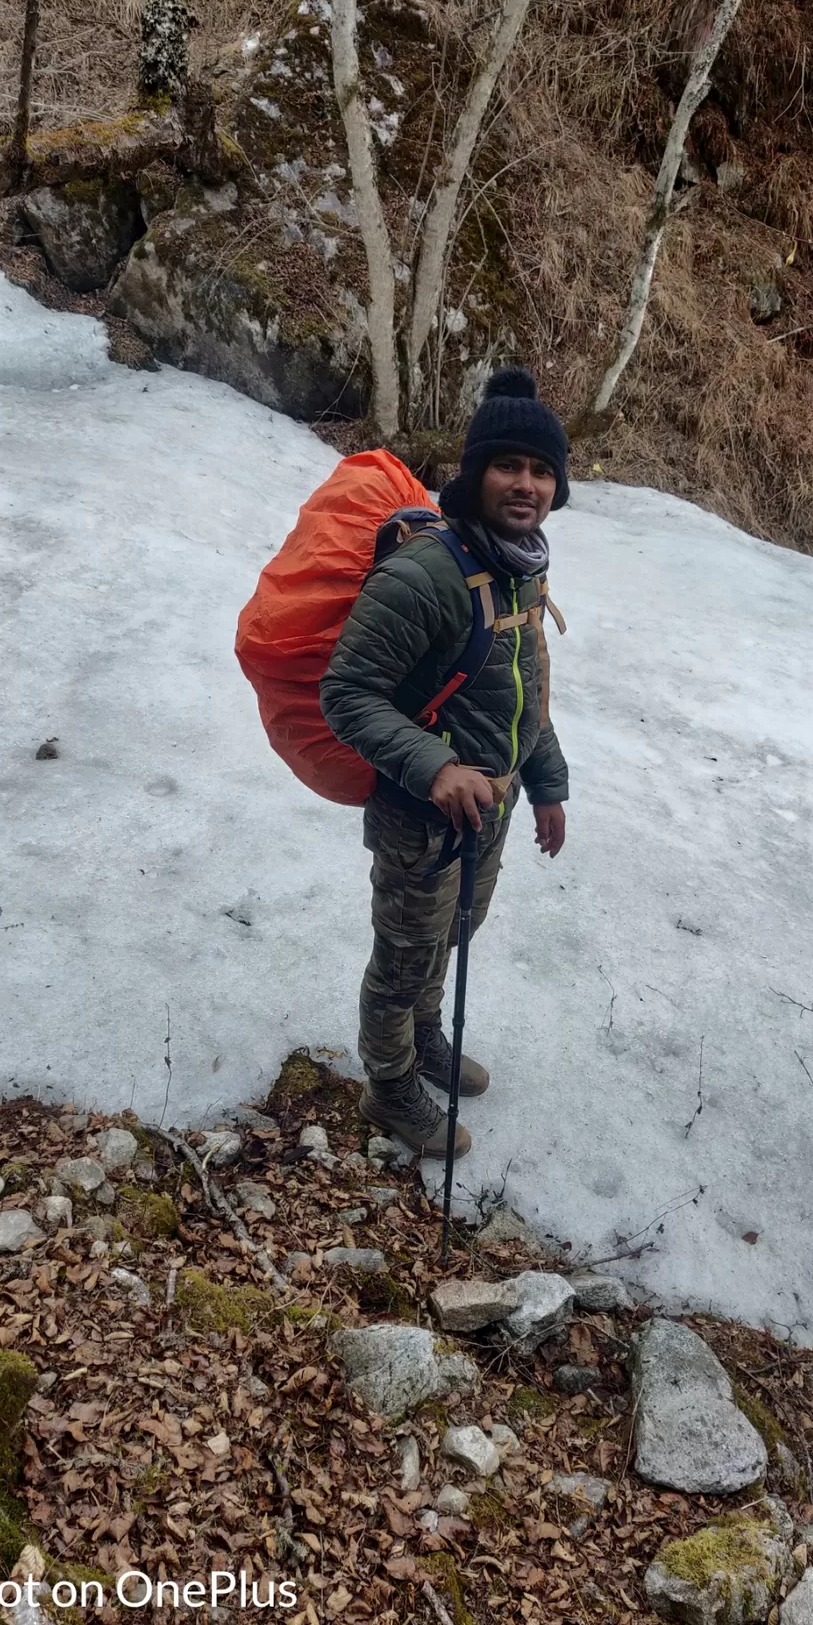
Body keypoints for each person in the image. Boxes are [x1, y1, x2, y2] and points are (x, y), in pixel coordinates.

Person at [320, 366, 571, 1159]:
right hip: (420, 814)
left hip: (485, 811)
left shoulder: (521, 567)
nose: (525, 484)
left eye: (540, 470)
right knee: (401, 956)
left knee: (449, 937)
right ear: (475, 472)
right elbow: (348, 693)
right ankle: (389, 1086)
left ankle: (426, 1037)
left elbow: (525, 693)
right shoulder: (426, 573)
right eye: (508, 466)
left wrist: (547, 787)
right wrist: (433, 769)